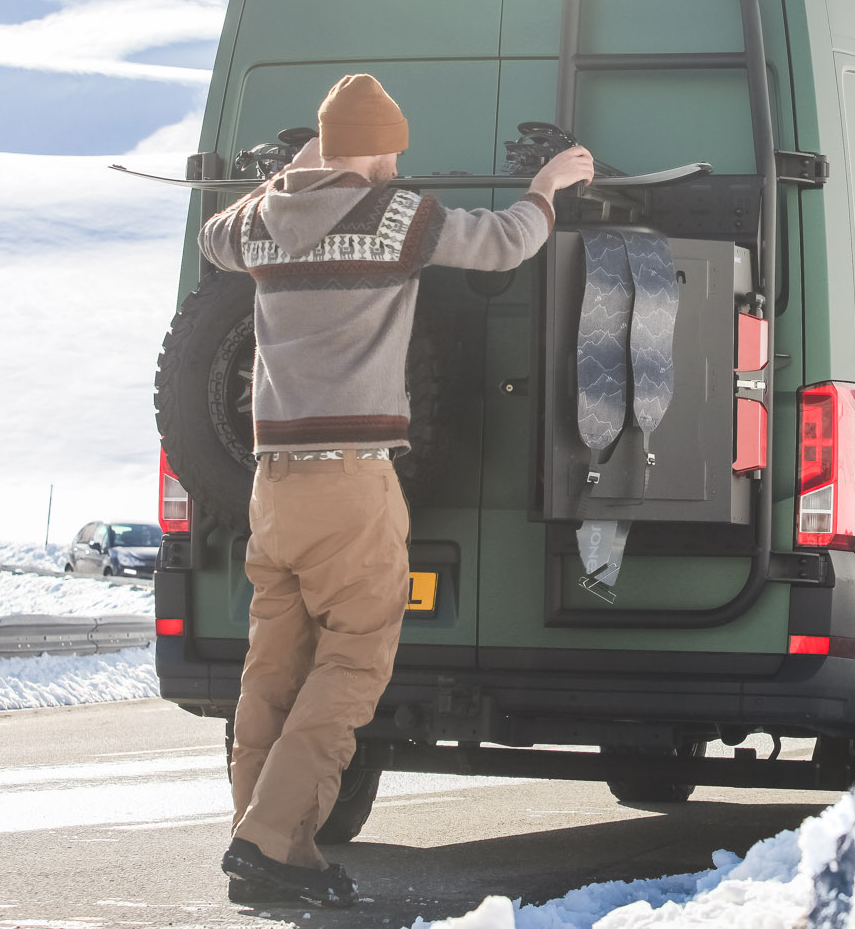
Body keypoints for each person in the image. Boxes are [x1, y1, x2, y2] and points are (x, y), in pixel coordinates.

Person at [197, 73, 593, 906]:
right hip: (351, 480)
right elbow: (504, 242)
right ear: (382, 147)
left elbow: (214, 237)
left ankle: (268, 846)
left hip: (272, 484)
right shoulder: (393, 216)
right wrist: (547, 186)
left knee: (272, 666)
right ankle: (270, 842)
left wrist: (288, 172)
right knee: (352, 661)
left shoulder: (261, 221)